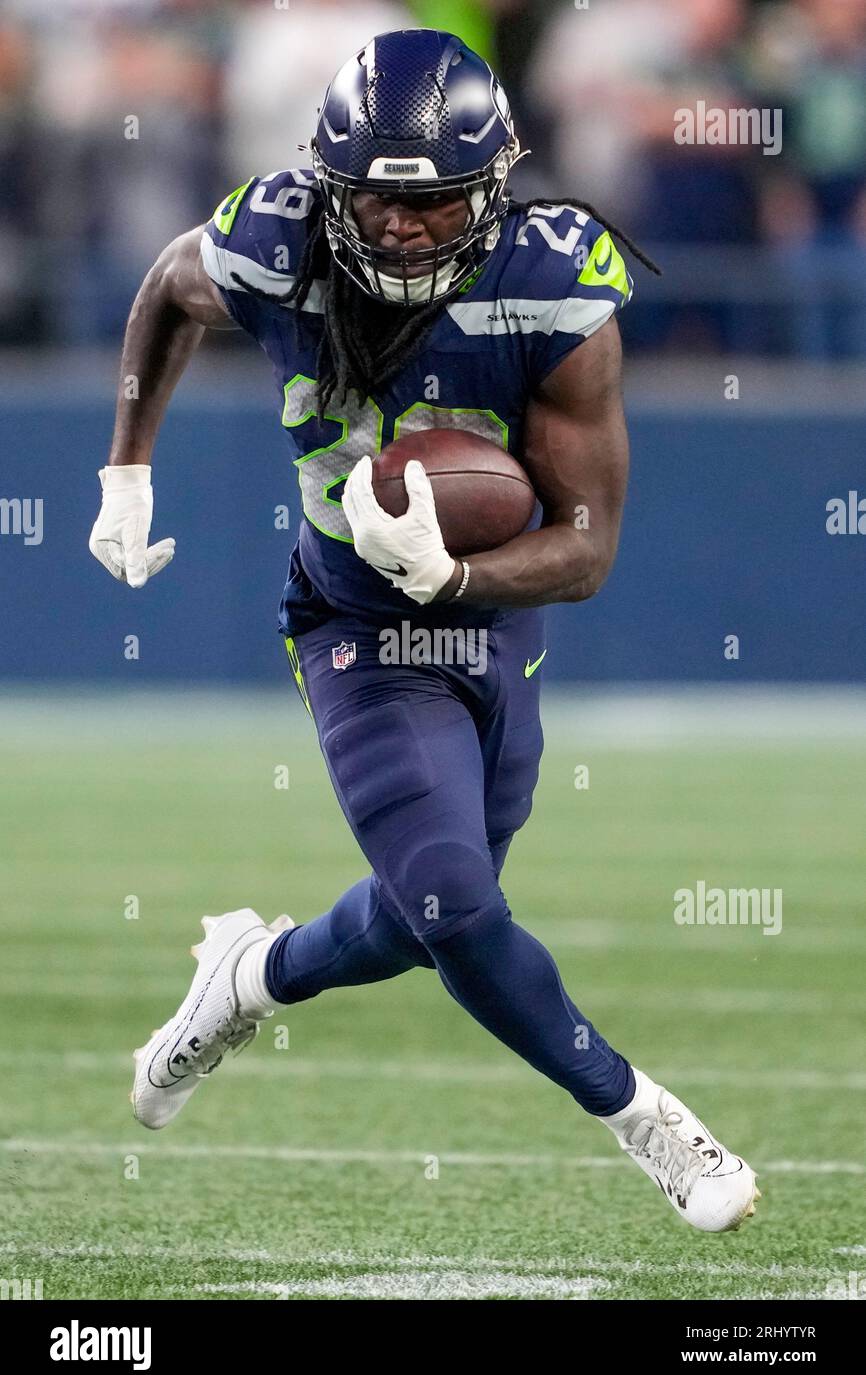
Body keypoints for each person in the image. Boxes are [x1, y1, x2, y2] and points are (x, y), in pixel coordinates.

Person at [91, 29, 758, 1233]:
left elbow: (586, 549)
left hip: (493, 621)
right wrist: (125, 469)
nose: (401, 228)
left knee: (422, 911)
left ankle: (247, 976)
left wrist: (457, 573)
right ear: (330, 186)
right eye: (377, 202)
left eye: (435, 201)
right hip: (348, 616)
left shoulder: (552, 282)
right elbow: (166, 288)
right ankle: (643, 1116)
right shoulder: (276, 237)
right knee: (450, 897)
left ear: (492, 186)